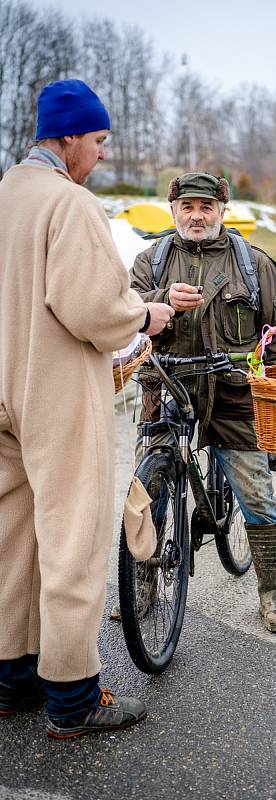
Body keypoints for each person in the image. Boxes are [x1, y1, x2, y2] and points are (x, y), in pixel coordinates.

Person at [0, 79, 175, 739]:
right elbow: (96, 311)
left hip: (1, 390)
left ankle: (10, 679)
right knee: (71, 540)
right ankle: (73, 696)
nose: (101, 154)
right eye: (99, 141)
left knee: (10, 539)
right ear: (69, 135)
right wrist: (148, 315)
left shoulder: (5, 194)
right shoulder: (67, 204)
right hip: (55, 391)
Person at [127, 171, 276, 633]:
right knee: (148, 493)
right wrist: (163, 300)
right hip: (166, 387)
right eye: (188, 207)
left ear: (222, 211)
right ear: (174, 211)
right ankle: (142, 584)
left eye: (207, 207)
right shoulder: (152, 260)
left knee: (256, 492)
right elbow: (122, 311)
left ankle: (274, 594)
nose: (197, 215)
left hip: (234, 395)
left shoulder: (253, 263)